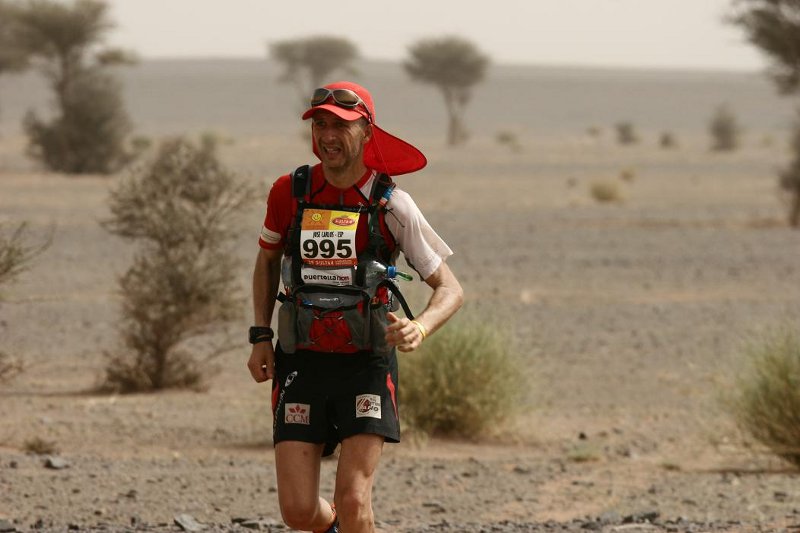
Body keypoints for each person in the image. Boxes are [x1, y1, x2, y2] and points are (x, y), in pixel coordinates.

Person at [247, 81, 463, 533]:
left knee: (353, 500)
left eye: (342, 125)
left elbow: (450, 290)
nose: (328, 135)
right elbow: (267, 260)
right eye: (321, 124)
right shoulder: (289, 192)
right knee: (299, 513)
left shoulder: (392, 204)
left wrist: (419, 328)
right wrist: (260, 336)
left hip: (366, 363)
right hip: (300, 361)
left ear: (367, 131)